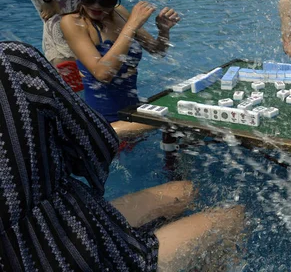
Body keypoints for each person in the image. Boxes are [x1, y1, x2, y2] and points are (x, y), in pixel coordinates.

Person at [0, 41, 244, 272]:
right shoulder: (13, 63)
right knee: (234, 217)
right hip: (69, 252)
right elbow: (92, 150)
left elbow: (156, 47)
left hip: (58, 221)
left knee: (184, 191)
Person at [61, 0, 177, 138]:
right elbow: (102, 73)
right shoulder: (73, 23)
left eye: (107, 0)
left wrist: (164, 30)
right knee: (172, 119)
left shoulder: (121, 13)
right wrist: (131, 26)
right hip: (105, 127)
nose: (97, 6)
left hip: (131, 115)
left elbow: (157, 51)